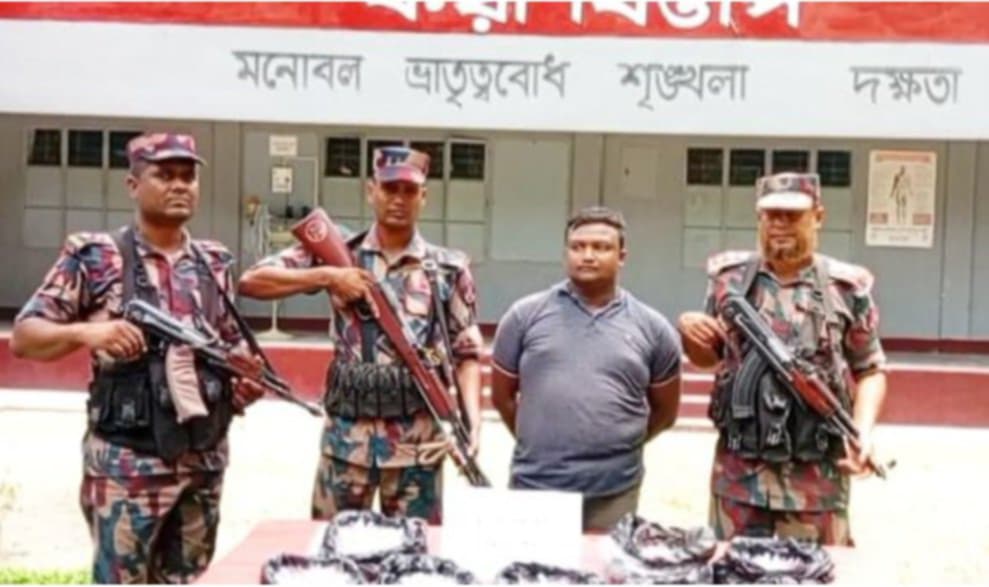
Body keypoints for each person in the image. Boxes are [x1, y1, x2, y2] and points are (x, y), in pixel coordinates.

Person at [10, 132, 266, 583]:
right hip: (128, 465)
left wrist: (245, 378)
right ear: (132, 184)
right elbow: (26, 336)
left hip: (202, 462)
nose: (180, 185)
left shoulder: (214, 262)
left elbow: (230, 344)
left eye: (188, 176)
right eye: (164, 175)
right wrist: (88, 332)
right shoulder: (96, 256)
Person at [238, 146, 483, 524]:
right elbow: (251, 281)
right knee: (331, 548)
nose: (398, 199)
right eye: (389, 188)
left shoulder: (448, 269)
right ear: (371, 191)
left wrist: (471, 424)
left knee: (417, 553)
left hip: (417, 451)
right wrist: (328, 276)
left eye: (409, 190)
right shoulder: (341, 255)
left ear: (424, 196)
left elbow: (466, 354)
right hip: (345, 446)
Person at [678, 172, 888, 546]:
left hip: (816, 478)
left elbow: (870, 368)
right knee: (731, 567)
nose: (780, 224)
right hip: (739, 473)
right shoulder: (728, 280)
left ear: (818, 217)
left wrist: (863, 433)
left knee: (819, 569)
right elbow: (709, 359)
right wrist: (691, 333)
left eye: (792, 215)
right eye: (771, 215)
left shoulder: (846, 288)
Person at [490, 206, 682, 532]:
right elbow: (502, 398)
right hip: (537, 484)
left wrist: (618, 446)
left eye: (601, 247)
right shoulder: (524, 317)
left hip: (614, 490)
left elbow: (665, 413)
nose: (588, 256)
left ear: (622, 257)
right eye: (578, 247)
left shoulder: (653, 328)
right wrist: (541, 442)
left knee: (606, 563)